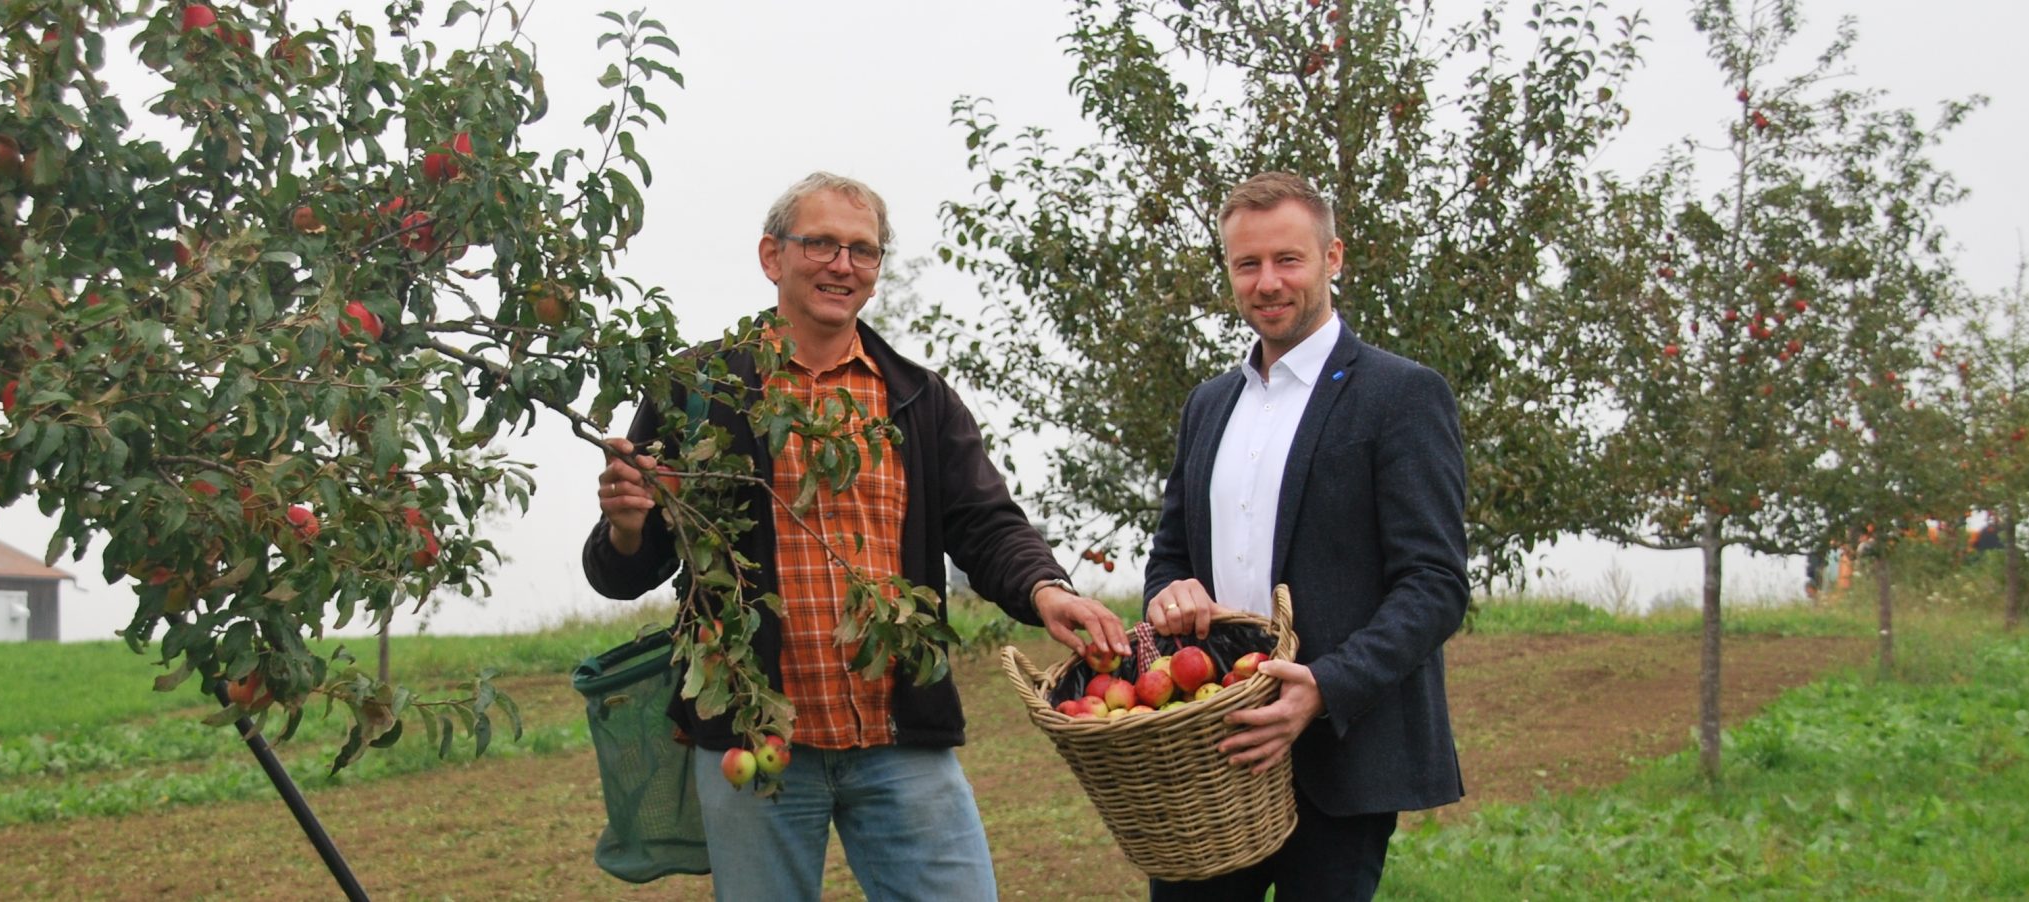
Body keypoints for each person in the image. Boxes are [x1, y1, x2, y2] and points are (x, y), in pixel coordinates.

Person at [583, 171, 1129, 901]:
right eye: (823, 245)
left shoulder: (916, 399)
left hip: (898, 735)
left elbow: (985, 522)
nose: (844, 265)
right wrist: (628, 527)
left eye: (863, 251)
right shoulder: (697, 392)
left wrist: (1045, 589)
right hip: (757, 740)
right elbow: (626, 570)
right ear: (772, 257)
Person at [1140, 172, 1469, 900]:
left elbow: (1436, 584)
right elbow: (1170, 554)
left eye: (1288, 259)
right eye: (1246, 264)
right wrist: (1168, 594)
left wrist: (1325, 687)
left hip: (1340, 761)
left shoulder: (1401, 395)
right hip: (1210, 753)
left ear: (1333, 258)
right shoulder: (1209, 405)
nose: (1267, 282)